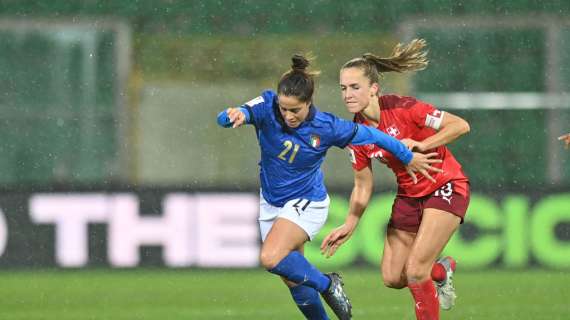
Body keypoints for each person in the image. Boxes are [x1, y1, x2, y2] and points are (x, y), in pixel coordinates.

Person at [217, 54, 442, 320]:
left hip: (306, 202)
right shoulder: (267, 104)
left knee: (270, 258)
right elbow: (227, 117)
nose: (288, 115)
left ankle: (329, 284)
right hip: (271, 202)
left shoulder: (327, 126)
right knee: (295, 281)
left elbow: (374, 135)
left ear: (309, 103)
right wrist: (234, 115)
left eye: (295, 110)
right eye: (284, 108)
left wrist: (407, 156)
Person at [320, 39, 471, 320]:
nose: (347, 95)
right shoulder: (355, 133)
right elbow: (363, 184)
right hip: (409, 196)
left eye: (355, 87)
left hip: (445, 185)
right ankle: (441, 270)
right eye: (343, 88)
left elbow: (460, 125)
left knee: (415, 271)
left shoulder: (405, 108)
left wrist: (423, 145)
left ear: (374, 89)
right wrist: (350, 223)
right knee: (393, 277)